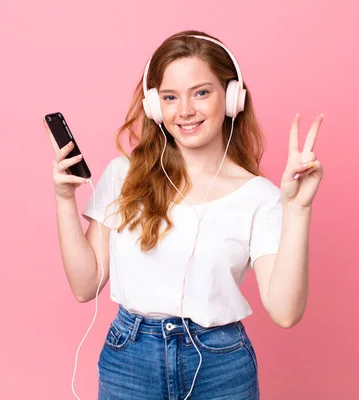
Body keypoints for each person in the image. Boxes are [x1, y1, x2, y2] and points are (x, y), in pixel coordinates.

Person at [46, 30, 324, 400]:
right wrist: (65, 200)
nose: (185, 110)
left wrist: (298, 209)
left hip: (220, 363)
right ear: (154, 106)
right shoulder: (122, 176)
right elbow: (86, 285)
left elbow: (285, 312)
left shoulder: (261, 197)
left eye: (202, 92)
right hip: (130, 358)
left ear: (232, 98)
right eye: (170, 97)